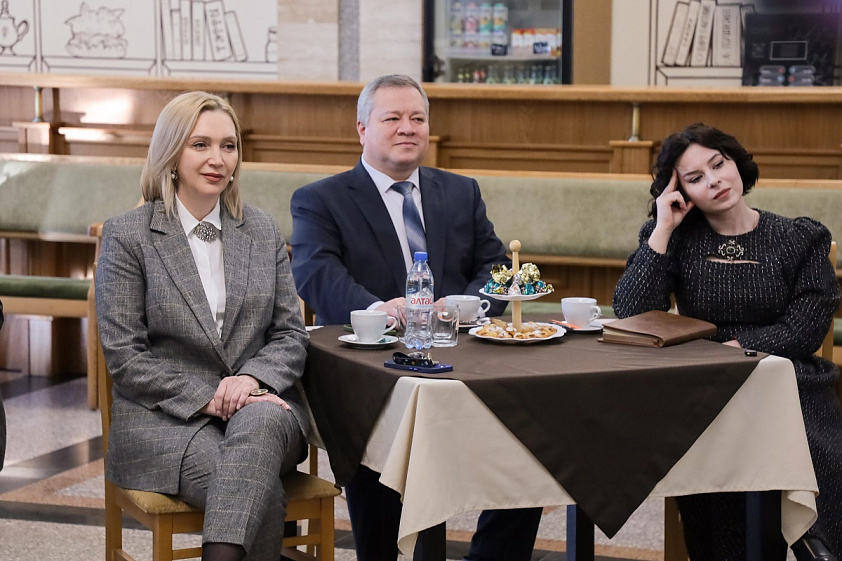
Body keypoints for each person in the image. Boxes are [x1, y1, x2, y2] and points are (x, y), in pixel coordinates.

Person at [290, 74, 542, 561]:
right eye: (392, 118)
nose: (407, 128)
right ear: (362, 129)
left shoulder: (460, 191)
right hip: (372, 363)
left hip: (464, 356)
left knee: (530, 436)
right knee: (375, 445)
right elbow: (317, 274)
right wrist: (380, 310)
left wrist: (464, 305)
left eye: (417, 118)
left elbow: (494, 268)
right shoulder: (321, 199)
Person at [96, 91, 310, 561]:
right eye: (200, 145)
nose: (218, 159)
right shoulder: (129, 235)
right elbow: (125, 357)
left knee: (261, 423)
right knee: (257, 494)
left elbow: (290, 335)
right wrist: (212, 398)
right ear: (171, 154)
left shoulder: (261, 230)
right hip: (167, 422)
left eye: (228, 146)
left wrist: (249, 381)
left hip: (262, 406)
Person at [613, 123, 842, 561]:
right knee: (721, 445)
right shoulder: (677, 239)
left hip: (787, 377)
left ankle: (817, 540)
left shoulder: (800, 238)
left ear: (736, 162)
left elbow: (807, 328)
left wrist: (740, 347)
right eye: (695, 178)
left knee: (806, 442)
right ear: (680, 191)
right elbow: (632, 314)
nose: (714, 180)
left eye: (718, 164)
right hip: (711, 384)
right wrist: (662, 228)